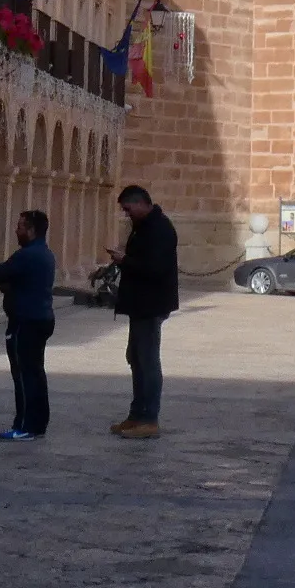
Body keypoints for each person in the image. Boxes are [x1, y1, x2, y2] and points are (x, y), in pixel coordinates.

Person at [108, 185, 179, 440]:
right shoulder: (144, 228)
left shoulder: (158, 229)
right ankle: (137, 415)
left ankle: (149, 418)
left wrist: (125, 261)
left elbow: (155, 268)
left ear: (140, 203)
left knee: (148, 362)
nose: (127, 215)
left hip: (151, 305)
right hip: (140, 305)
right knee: (136, 359)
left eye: (128, 209)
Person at [0, 210, 57, 441]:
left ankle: (25, 424)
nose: (16, 231)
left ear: (31, 230)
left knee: (24, 374)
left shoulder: (26, 255)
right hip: (42, 317)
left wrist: (10, 284)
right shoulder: (46, 253)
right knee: (36, 372)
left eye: (20, 227)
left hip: (25, 320)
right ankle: (39, 422)